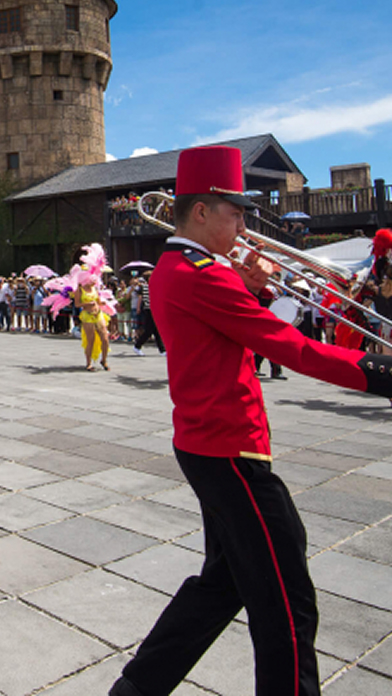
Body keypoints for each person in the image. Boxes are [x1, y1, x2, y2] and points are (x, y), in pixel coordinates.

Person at [108, 145, 392, 696]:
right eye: (235, 212)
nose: (245, 224)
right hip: (230, 450)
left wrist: (255, 285)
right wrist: (380, 371)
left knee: (224, 583)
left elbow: (231, 327)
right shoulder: (201, 274)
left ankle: (140, 686)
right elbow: (290, 347)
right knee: (288, 604)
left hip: (209, 444)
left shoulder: (182, 267)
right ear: (201, 213)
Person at [74, 273, 110, 370]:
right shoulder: (79, 290)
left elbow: (98, 301)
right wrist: (87, 303)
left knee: (105, 338)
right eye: (92, 281)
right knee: (91, 339)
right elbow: (77, 304)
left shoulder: (95, 289)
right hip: (87, 315)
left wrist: (102, 303)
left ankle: (104, 360)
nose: (94, 283)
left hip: (98, 314)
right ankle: (88, 362)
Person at [132, 269, 163, 355]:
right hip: (148, 309)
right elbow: (143, 298)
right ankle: (137, 346)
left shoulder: (153, 285)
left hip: (153, 309)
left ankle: (162, 350)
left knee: (156, 330)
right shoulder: (144, 286)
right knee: (149, 330)